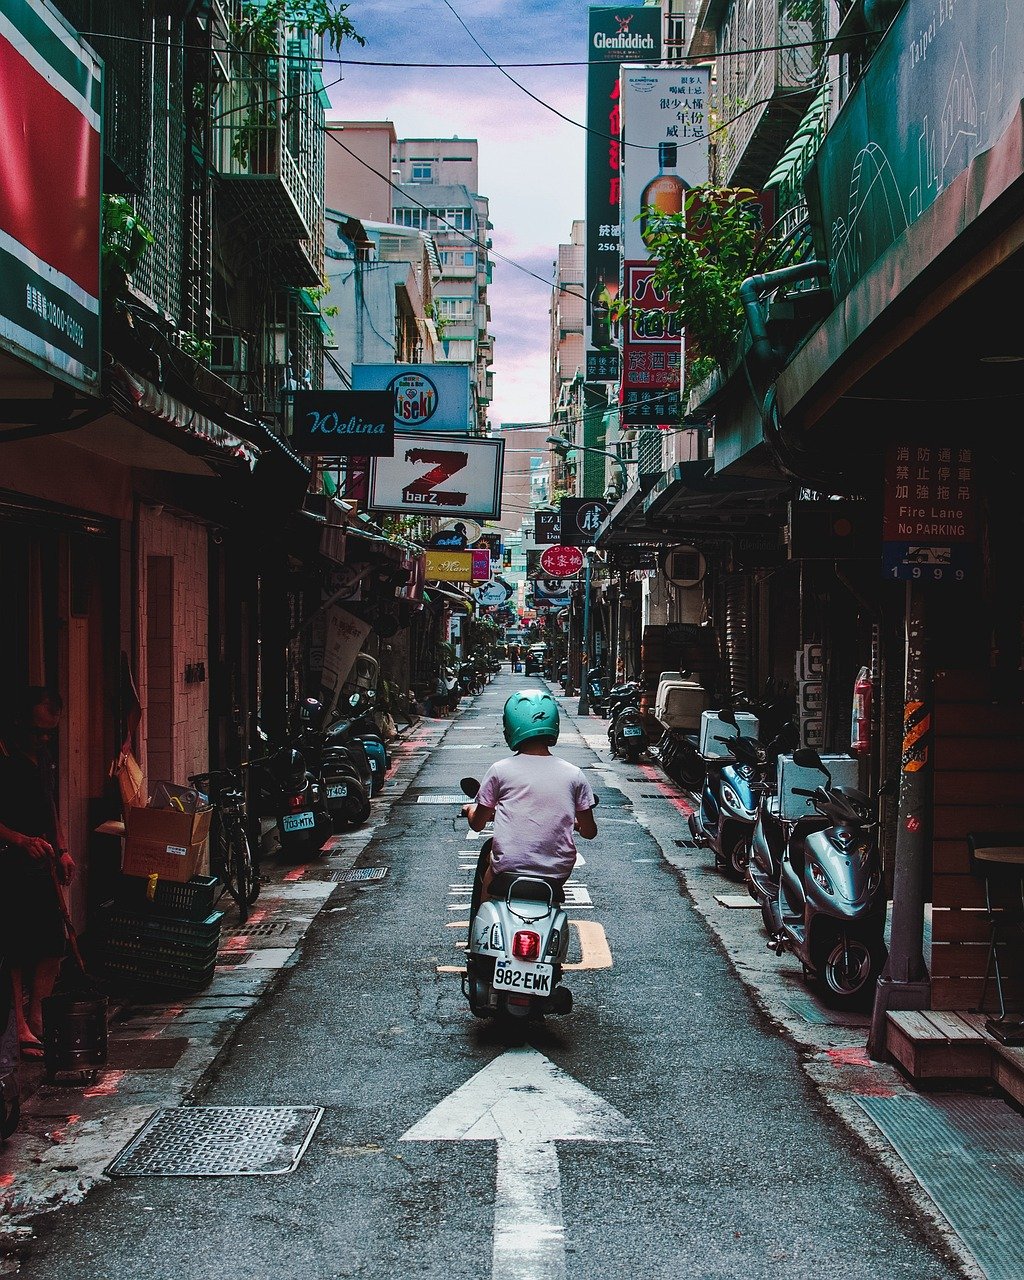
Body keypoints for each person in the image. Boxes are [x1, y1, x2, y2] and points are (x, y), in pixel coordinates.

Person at [462, 690, 597, 905]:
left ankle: (482, 932)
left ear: (510, 726)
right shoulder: (574, 774)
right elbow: (590, 832)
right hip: (557, 872)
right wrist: (577, 824)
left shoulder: (499, 770)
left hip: (509, 867)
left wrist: (470, 810)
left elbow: (478, 824)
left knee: (489, 874)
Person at [0, 687, 74, 1059]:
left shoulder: (43, 757)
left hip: (41, 859)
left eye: (49, 732)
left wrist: (61, 849)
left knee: (51, 944)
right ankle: (20, 1028)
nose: (43, 739)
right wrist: (17, 840)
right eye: (37, 731)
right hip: (9, 862)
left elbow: (50, 807)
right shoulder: (5, 757)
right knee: (15, 948)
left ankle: (39, 1017)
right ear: (17, 722)